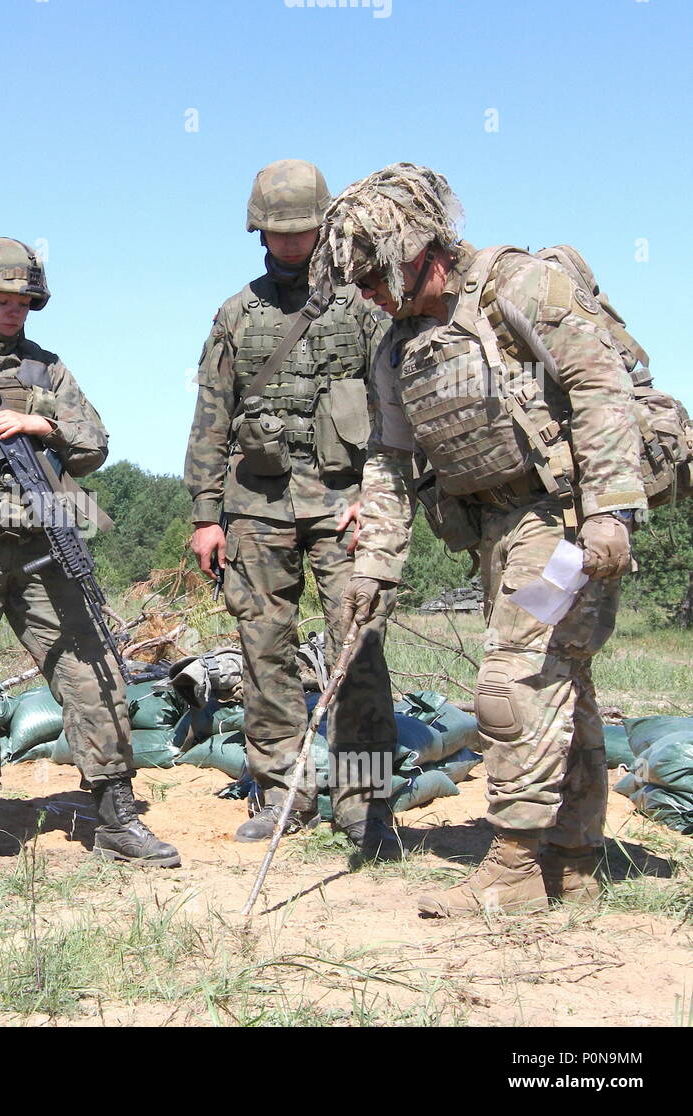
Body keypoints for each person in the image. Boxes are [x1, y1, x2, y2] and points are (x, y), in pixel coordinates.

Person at [314, 162, 646, 916]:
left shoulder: (520, 289)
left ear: (415, 248)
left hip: (559, 519)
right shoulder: (396, 350)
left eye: (372, 276)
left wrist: (610, 509)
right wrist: (374, 565)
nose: (365, 293)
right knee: (565, 685)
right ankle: (573, 859)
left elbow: (600, 387)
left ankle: (513, 868)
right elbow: (390, 461)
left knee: (510, 681)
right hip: (492, 528)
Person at [0, 238, 180, 873]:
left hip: (44, 537)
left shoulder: (50, 369)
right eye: (1, 300)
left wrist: (40, 426)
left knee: (90, 667)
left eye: (23, 301)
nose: (14, 311)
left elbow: (94, 443)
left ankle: (115, 811)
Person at [184, 160, 400, 859]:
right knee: (263, 653)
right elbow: (209, 419)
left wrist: (379, 497)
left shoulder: (364, 309)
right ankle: (281, 795)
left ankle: (366, 806)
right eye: (276, 232)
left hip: (345, 506)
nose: (289, 243)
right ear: (258, 232)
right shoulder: (234, 316)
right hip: (256, 507)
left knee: (357, 652)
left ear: (324, 226)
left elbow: (397, 410)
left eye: (301, 230)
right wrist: (206, 515)